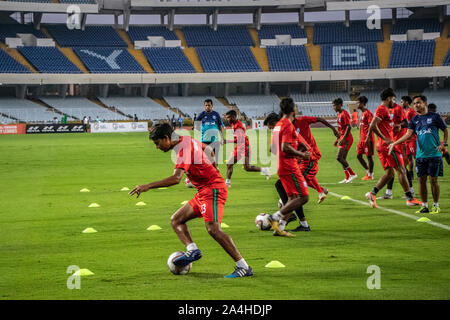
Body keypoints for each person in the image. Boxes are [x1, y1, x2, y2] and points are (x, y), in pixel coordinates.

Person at [129, 123, 253, 278]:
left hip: (213, 189)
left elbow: (176, 179)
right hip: (203, 191)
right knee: (176, 220)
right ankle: (192, 249)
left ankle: (243, 266)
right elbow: (208, 150)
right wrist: (214, 166)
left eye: (157, 143)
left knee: (213, 230)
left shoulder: (183, 149)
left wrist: (147, 186)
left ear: (166, 138)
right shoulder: (186, 140)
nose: (157, 147)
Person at [388, 95, 448, 214]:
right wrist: (394, 143)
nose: (416, 105)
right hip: (420, 156)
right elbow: (408, 134)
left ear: (425, 103)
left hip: (434, 154)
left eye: (418, 103)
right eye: (414, 103)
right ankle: (425, 206)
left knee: (433, 180)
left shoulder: (435, 117)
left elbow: (445, 130)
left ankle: (435, 205)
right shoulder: (414, 120)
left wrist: (444, 143)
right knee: (421, 181)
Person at [364, 88, 421, 208]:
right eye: (393, 99)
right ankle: (410, 198)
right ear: (389, 98)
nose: (393, 101)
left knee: (390, 174)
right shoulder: (382, 109)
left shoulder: (384, 110)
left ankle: (372, 193)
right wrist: (385, 138)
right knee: (401, 170)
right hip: (387, 146)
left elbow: (374, 126)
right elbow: (373, 125)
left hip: (383, 146)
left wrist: (393, 128)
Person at [266, 98, 310, 237]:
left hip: (281, 166)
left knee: (292, 198)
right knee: (304, 197)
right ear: (293, 109)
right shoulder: (288, 125)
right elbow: (285, 146)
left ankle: (279, 228)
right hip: (290, 166)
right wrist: (300, 154)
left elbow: (272, 148)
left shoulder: (278, 125)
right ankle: (274, 217)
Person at [292, 112, 339, 203]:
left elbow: (320, 119)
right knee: (305, 174)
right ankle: (321, 191)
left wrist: (333, 128)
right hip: (303, 155)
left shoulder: (303, 120)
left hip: (311, 153)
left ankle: (293, 198)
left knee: (301, 176)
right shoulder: (289, 127)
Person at [223, 110, 270, 187]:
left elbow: (239, 140)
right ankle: (227, 183)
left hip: (244, 147)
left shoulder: (239, 126)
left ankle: (264, 170)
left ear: (233, 117)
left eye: (228, 118)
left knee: (247, 167)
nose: (227, 119)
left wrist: (227, 141)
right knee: (229, 164)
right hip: (239, 147)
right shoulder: (233, 123)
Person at [378, 98, 414, 200]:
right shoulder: (387, 110)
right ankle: (389, 193)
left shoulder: (398, 109)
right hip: (391, 142)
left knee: (402, 168)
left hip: (399, 142)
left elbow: (407, 123)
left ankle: (410, 191)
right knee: (392, 167)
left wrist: (399, 125)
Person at [333, 98, 357, 183]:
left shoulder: (344, 114)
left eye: (334, 105)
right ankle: (347, 177)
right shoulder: (339, 114)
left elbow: (348, 127)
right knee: (343, 158)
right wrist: (337, 139)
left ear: (339, 105)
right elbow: (341, 129)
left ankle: (352, 174)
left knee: (339, 157)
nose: (333, 107)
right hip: (342, 138)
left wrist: (343, 138)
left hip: (347, 139)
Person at [195, 99, 224, 164]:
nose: (207, 106)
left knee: (215, 160)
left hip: (215, 140)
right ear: (204, 106)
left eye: (209, 105)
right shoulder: (201, 115)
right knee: (205, 160)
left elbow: (220, 127)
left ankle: (216, 172)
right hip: (205, 140)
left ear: (212, 106)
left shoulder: (216, 114)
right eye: (206, 105)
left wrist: (222, 138)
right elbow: (196, 126)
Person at [355, 96, 375, 180]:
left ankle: (370, 174)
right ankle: (368, 171)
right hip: (361, 139)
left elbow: (372, 125)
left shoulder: (368, 113)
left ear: (363, 103)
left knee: (369, 157)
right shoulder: (362, 113)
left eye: (358, 102)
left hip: (368, 139)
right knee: (359, 156)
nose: (357, 104)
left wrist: (367, 137)